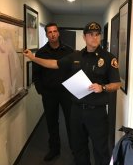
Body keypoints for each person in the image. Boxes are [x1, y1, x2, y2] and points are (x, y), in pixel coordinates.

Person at [24, 21, 121, 165]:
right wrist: (33, 58)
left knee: (100, 150)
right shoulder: (75, 56)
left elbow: (117, 84)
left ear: (100, 36)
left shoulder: (108, 58)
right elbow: (54, 64)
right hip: (76, 110)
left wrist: (103, 88)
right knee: (79, 148)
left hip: (97, 113)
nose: (94, 38)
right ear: (84, 37)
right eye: (90, 35)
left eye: (97, 35)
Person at [33, 22, 74, 161]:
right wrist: (41, 91)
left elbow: (74, 71)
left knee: (70, 121)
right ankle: (54, 149)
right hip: (49, 94)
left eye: (55, 31)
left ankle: (75, 149)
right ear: (46, 35)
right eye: (49, 32)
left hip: (67, 93)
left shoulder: (69, 51)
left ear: (58, 33)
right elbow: (36, 75)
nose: (53, 34)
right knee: (51, 122)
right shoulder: (41, 53)